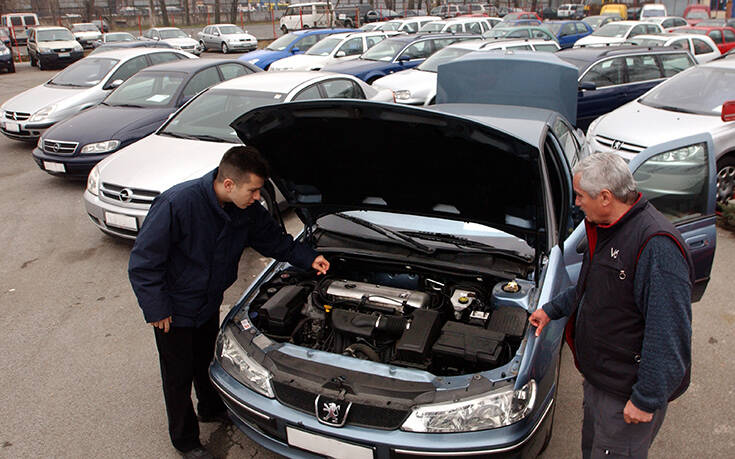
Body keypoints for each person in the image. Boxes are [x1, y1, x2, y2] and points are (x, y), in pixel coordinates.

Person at [129, 146, 330, 459]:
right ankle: (185, 441)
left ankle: (209, 408)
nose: (256, 198)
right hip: (174, 311)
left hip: (208, 302)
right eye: (252, 190)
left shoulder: (246, 210)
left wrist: (309, 258)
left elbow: (274, 241)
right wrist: (157, 308)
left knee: (205, 360)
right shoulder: (177, 204)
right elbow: (144, 262)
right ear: (228, 184)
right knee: (177, 375)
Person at [528, 152, 693, 459]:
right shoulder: (607, 227)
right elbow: (592, 288)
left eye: (580, 196)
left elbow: (668, 332)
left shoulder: (656, 245)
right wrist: (551, 310)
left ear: (605, 196)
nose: (576, 203)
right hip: (601, 379)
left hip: (626, 392)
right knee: (592, 449)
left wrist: (647, 398)